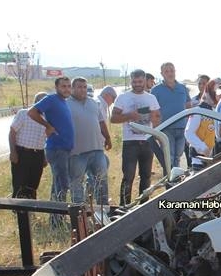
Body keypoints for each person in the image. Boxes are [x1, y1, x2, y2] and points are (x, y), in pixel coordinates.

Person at [28, 76, 74, 226]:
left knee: (58, 185)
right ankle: (56, 221)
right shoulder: (51, 99)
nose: (67, 89)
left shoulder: (64, 102)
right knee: (62, 184)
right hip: (57, 148)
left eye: (68, 86)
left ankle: (56, 219)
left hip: (64, 149)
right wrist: (47, 126)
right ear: (56, 88)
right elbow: (32, 112)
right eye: (63, 86)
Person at [111, 69, 161, 205]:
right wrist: (129, 116)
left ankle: (143, 206)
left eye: (140, 81)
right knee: (128, 176)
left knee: (146, 176)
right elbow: (113, 118)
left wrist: (157, 136)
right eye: (134, 81)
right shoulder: (123, 97)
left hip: (148, 142)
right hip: (130, 142)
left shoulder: (151, 98)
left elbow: (157, 119)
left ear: (144, 81)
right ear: (130, 81)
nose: (137, 84)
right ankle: (124, 207)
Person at [67, 77, 112, 205]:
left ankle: (104, 210)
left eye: (85, 87)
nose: (83, 89)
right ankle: (79, 212)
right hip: (77, 152)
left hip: (97, 150)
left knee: (101, 180)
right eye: (79, 87)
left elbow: (101, 122)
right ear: (72, 88)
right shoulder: (66, 104)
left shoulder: (93, 103)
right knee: (77, 182)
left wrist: (108, 138)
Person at [151, 62, 192, 169]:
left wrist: (190, 127)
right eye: (167, 71)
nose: (170, 73)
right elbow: (153, 112)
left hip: (182, 128)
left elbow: (189, 106)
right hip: (166, 129)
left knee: (178, 157)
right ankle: (170, 183)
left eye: (172, 70)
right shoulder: (155, 90)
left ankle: (175, 181)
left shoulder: (182, 88)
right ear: (162, 74)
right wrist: (155, 130)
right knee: (169, 157)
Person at [9, 91, 48, 199]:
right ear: (35, 102)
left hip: (38, 155)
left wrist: (44, 157)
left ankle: (30, 210)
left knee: (33, 186)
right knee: (20, 185)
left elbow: (43, 139)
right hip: (22, 154)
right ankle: (19, 211)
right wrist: (13, 152)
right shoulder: (23, 113)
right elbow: (12, 132)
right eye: (40, 101)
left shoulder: (47, 118)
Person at [185, 79, 219, 171]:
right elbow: (188, 133)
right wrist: (203, 148)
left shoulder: (213, 111)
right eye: (217, 92)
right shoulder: (198, 111)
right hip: (198, 159)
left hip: (210, 158)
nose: (220, 96)